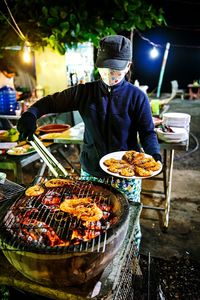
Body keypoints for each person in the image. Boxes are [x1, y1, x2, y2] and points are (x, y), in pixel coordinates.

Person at [17, 35, 161, 251]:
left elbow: (148, 133)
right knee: (89, 224)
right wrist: (31, 114)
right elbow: (51, 101)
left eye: (116, 71)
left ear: (128, 66)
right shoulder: (86, 92)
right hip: (92, 172)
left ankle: (131, 259)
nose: (110, 76)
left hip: (127, 177)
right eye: (105, 70)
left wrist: (154, 155)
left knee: (128, 226)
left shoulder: (136, 97)